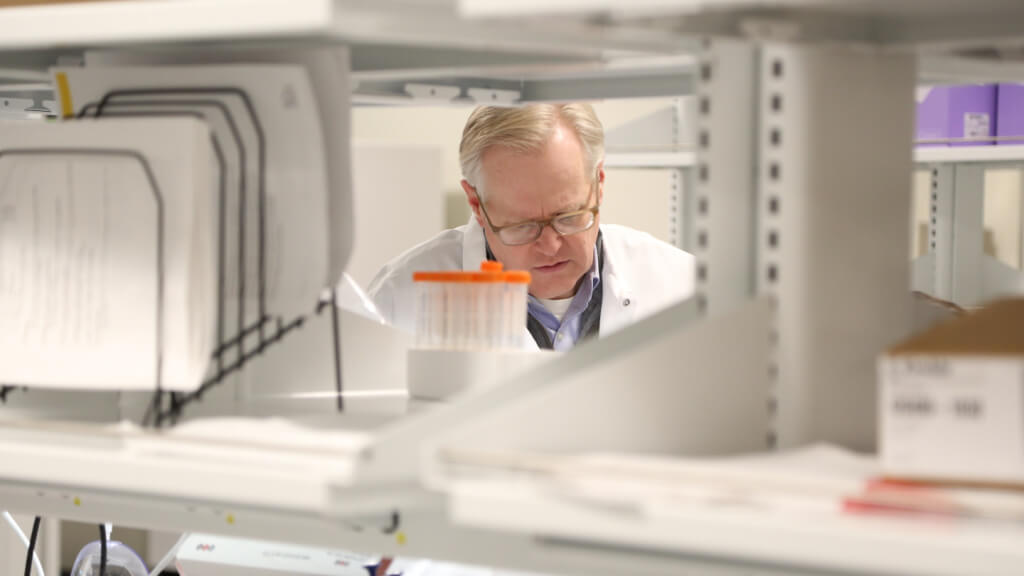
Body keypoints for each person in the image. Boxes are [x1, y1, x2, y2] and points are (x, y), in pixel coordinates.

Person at [368, 103, 695, 351]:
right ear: (476, 205)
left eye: (568, 217)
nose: (550, 246)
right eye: (522, 226)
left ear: (598, 184)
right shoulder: (398, 302)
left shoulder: (680, 285)